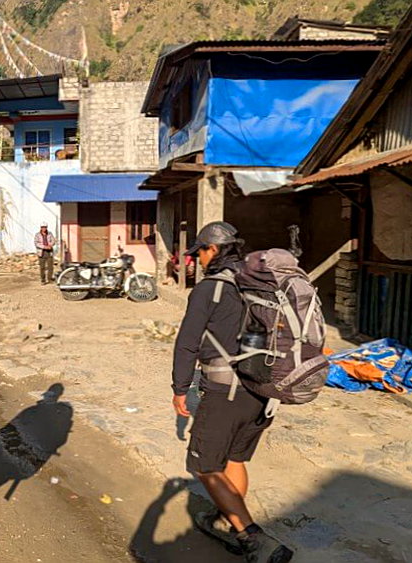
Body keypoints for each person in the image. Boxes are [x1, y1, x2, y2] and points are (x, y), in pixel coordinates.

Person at [171, 221, 293, 563]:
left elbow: (187, 344)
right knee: (234, 458)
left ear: (212, 250)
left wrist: (180, 389)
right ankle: (228, 516)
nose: (200, 259)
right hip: (264, 391)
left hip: (226, 391)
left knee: (206, 465)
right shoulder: (263, 285)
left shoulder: (210, 288)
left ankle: (254, 539)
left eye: (202, 252)